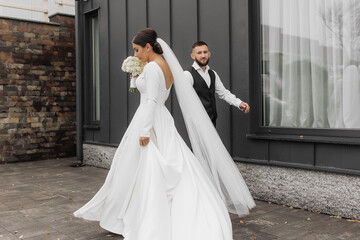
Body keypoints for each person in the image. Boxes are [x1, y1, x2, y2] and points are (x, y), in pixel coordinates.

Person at [74, 28, 255, 240]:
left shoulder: (152, 68)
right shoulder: (166, 66)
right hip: (162, 118)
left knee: (143, 166)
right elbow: (153, 94)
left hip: (149, 120)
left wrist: (144, 131)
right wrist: (135, 76)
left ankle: (140, 215)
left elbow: (150, 99)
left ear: (148, 46)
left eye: (137, 49)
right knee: (157, 163)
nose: (136, 54)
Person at [184, 41, 250, 126]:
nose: (203, 55)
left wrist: (239, 103)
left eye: (205, 52)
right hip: (197, 123)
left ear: (209, 54)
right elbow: (185, 100)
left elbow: (224, 93)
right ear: (193, 56)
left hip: (212, 120)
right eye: (199, 53)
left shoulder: (213, 74)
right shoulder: (188, 74)